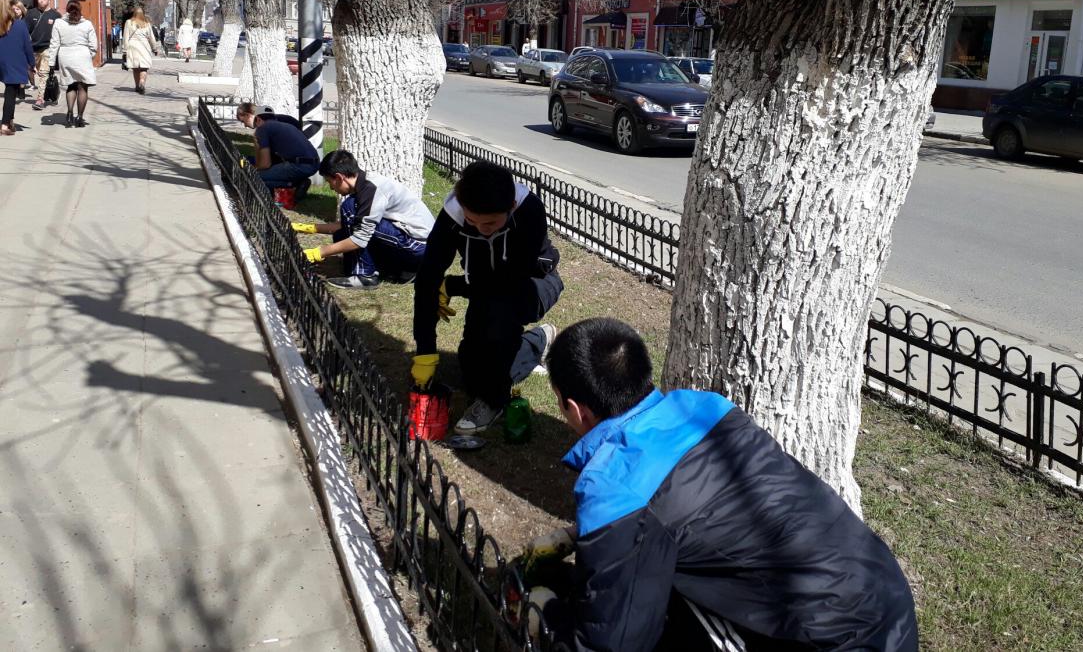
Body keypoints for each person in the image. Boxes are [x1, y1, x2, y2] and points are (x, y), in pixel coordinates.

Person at [531, 318, 919, 651]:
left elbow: (613, 642)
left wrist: (547, 614)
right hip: (882, 596)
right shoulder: (707, 408)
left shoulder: (613, 483)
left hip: (826, 639)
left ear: (574, 408)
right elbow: (695, 510)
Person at [412, 160, 563, 434]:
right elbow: (426, 279)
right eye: (471, 221)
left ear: (511, 208)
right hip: (485, 287)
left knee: (498, 327)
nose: (481, 228)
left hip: (532, 283)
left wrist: (454, 286)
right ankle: (538, 341)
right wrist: (425, 351)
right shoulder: (453, 214)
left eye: (491, 222)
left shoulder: (529, 210)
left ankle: (495, 401)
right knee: (471, 368)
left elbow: (508, 282)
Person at [293, 149, 435, 289]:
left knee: (349, 209)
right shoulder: (364, 184)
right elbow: (345, 225)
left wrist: (318, 252)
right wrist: (310, 228)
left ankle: (365, 277)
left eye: (330, 182)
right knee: (343, 229)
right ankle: (400, 270)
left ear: (339, 177)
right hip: (414, 244)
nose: (331, 188)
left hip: (420, 247)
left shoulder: (370, 190)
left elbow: (361, 238)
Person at [235, 102, 320, 196]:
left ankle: (295, 184)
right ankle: (297, 182)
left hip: (299, 165)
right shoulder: (284, 124)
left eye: (243, 122)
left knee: (252, 176)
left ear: (258, 119)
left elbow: (265, 164)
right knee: (265, 171)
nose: (245, 126)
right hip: (314, 163)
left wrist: (252, 169)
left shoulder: (262, 129)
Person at [48, 0, 97, 129]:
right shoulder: (87, 24)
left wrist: (51, 63)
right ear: (80, 9)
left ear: (67, 9)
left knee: (71, 86)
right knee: (82, 87)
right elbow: (94, 45)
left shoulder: (59, 23)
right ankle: (80, 117)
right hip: (83, 56)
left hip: (66, 56)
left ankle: (69, 113)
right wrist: (89, 55)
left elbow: (54, 44)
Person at [0, 0, 35, 136]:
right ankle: (4, 125)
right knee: (10, 93)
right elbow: (27, 47)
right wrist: (32, 64)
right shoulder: (19, 25)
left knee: (11, 92)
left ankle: (10, 121)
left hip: (2, 61)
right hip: (13, 62)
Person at [25, 0, 60, 111]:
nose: (41, 1)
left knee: (43, 74)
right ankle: (53, 91)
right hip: (33, 48)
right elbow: (25, 32)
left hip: (47, 48)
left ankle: (40, 99)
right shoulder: (31, 13)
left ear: (49, 0)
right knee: (36, 72)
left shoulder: (55, 16)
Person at [121, 6, 161, 94]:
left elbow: (126, 37)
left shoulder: (129, 22)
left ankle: (137, 86)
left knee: (135, 68)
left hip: (133, 46)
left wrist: (125, 50)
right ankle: (142, 82)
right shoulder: (147, 23)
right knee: (144, 68)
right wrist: (155, 48)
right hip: (144, 46)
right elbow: (151, 37)